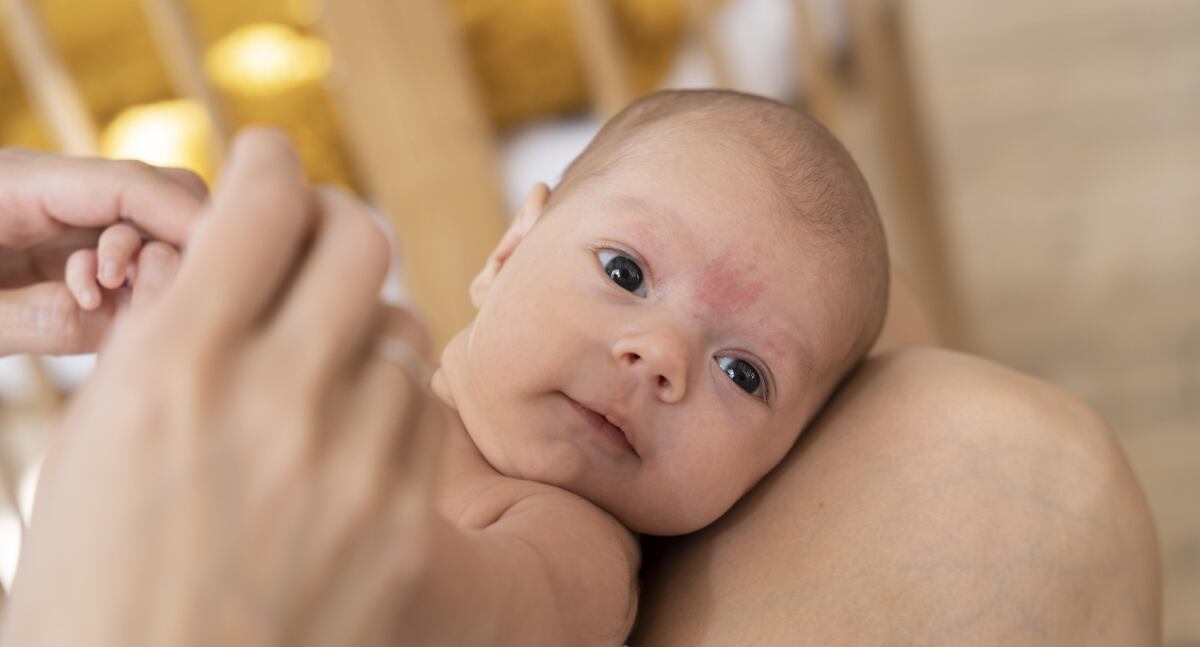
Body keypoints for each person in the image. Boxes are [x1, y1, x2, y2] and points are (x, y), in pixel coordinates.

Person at [0, 124, 1160, 646]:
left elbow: (473, 609)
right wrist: (165, 308)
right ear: (510, 249)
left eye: (744, 372)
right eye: (625, 272)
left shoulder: (567, 539)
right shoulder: (365, 357)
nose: (661, 354)